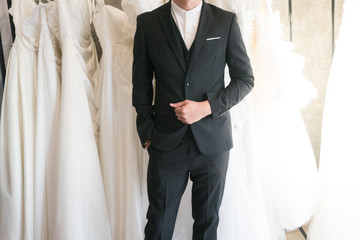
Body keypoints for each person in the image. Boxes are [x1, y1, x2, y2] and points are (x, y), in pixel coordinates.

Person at [132, 0, 254, 239]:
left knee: (207, 226)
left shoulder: (225, 21)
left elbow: (245, 79)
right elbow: (141, 87)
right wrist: (147, 135)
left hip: (212, 145)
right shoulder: (147, 23)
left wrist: (207, 107)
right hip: (165, 143)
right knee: (158, 225)